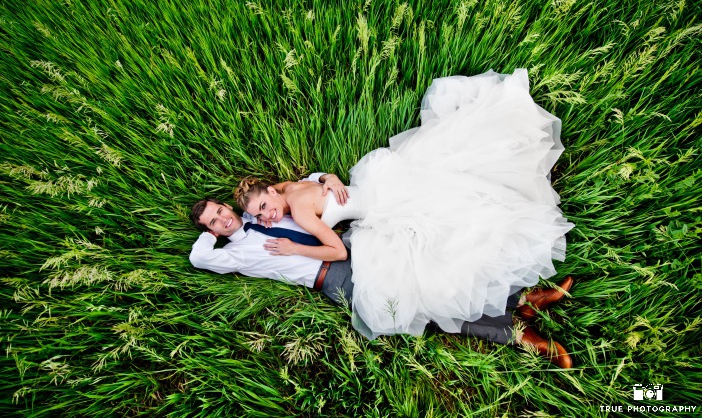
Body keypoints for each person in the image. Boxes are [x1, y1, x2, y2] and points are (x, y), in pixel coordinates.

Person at [235, 70, 575, 343]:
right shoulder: (286, 192)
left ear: (271, 190)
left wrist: (325, 185)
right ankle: (523, 303)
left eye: (265, 205)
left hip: (387, 203)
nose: (268, 215)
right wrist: (319, 184)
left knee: (459, 234)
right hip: (382, 189)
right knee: (456, 240)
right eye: (260, 215)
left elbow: (337, 251)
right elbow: (300, 193)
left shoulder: (297, 205)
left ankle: (524, 301)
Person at [189, 182, 575, 368]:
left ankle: (521, 299)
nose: (223, 219)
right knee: (421, 304)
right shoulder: (234, 254)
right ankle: (519, 335)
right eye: (215, 223)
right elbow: (197, 258)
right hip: (333, 277)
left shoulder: (264, 210)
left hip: (352, 246)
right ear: (214, 232)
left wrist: (328, 181)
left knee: (431, 266)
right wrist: (209, 237)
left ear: (229, 204)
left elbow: (309, 186)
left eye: (220, 211)